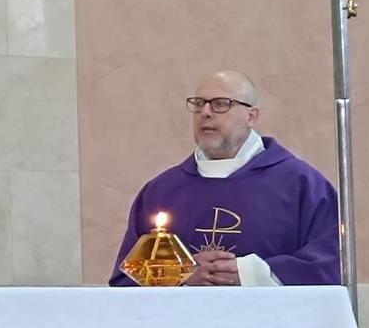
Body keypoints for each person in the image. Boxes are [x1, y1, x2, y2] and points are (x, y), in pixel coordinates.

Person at [108, 70, 339, 287]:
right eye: (198, 104)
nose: (205, 113)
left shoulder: (302, 185)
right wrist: (179, 273)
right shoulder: (161, 192)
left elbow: (330, 264)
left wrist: (252, 272)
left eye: (221, 104)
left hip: (269, 326)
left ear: (252, 116)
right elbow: (126, 278)